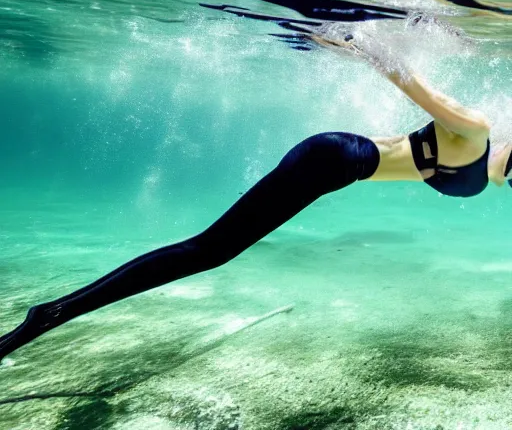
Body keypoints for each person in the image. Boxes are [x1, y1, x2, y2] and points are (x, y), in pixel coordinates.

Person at [1, 26, 511, 364]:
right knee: (209, 251)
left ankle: (51, 314)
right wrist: (360, 41)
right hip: (330, 158)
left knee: (210, 250)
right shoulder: (477, 136)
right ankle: (49, 314)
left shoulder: (484, 168)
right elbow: (407, 80)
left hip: (333, 166)